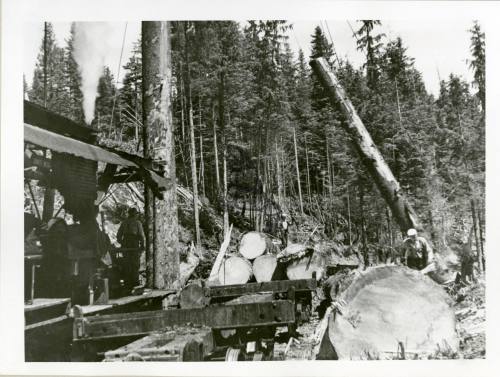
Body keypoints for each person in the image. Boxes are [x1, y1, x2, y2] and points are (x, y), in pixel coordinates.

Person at [117, 207, 145, 289]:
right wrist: (142, 245)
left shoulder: (124, 223)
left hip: (129, 244)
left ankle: (129, 283)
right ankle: (133, 283)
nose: (135, 215)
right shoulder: (137, 223)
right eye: (135, 214)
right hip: (133, 245)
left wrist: (122, 243)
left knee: (128, 264)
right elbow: (141, 236)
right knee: (133, 264)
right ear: (133, 214)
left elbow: (118, 236)